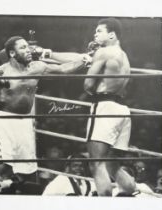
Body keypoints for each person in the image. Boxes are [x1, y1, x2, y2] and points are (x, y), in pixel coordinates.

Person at [0, 36, 91, 191]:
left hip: (25, 124)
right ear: (12, 53)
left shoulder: (37, 67)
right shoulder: (1, 71)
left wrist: (86, 59)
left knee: (24, 174)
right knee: (2, 172)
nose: (28, 50)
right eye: (22, 48)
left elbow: (64, 69)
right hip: (3, 123)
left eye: (28, 46)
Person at [49, 18, 136, 196]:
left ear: (111, 34)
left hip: (104, 108)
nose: (94, 34)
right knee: (112, 164)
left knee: (96, 163)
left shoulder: (103, 52)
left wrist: (91, 72)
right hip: (122, 110)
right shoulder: (123, 55)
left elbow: (88, 85)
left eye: (99, 31)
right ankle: (133, 193)